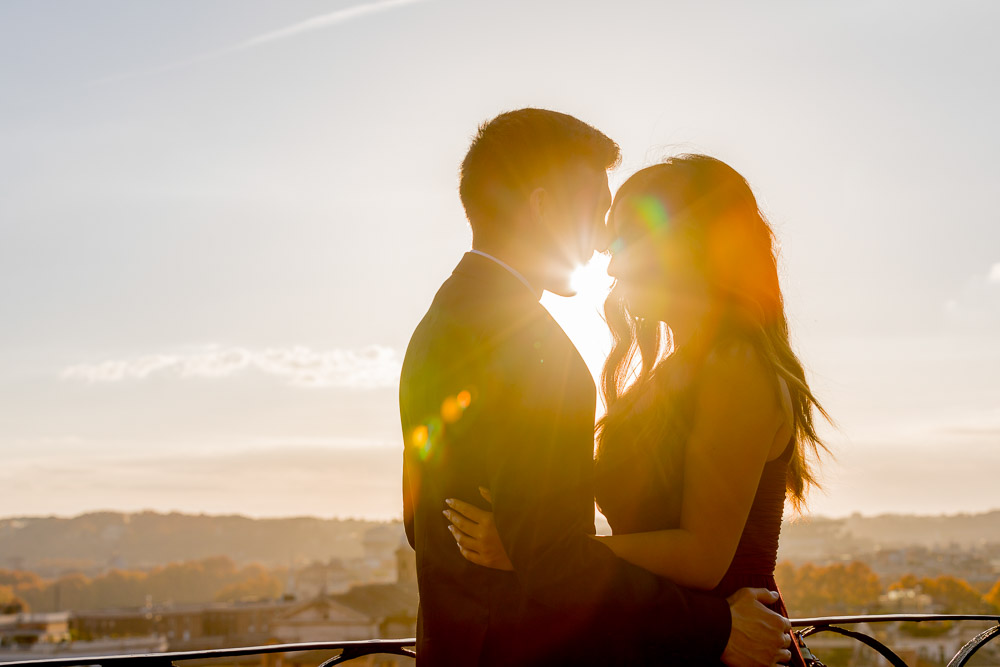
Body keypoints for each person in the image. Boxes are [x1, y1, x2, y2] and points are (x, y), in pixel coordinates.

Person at [400, 109, 792, 666]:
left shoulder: (443, 327)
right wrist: (713, 627)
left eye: (626, 235)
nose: (604, 251)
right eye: (599, 214)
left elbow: (441, 528)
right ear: (542, 206)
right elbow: (541, 555)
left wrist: (526, 551)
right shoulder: (528, 349)